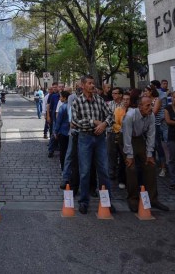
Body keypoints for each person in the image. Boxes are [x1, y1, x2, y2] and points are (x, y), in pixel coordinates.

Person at [71, 75, 115, 215]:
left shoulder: (100, 100)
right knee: (85, 171)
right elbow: (74, 122)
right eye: (89, 83)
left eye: (93, 83)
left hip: (100, 138)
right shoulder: (77, 102)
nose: (92, 85)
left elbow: (111, 115)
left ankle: (107, 202)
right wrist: (93, 122)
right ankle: (84, 201)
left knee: (103, 171)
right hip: (85, 138)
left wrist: (103, 124)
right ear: (83, 85)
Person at [122, 96, 170, 212]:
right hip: (126, 139)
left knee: (151, 165)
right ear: (140, 107)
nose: (151, 107)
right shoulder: (130, 116)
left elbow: (151, 135)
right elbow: (126, 136)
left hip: (139, 139)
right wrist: (129, 155)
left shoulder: (151, 115)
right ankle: (133, 199)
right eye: (147, 105)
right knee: (131, 168)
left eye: (151, 105)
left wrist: (149, 154)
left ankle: (153, 199)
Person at [111, 91, 130, 189]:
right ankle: (122, 179)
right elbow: (115, 123)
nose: (126, 101)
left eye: (128, 99)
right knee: (122, 159)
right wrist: (123, 130)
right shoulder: (118, 110)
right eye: (124, 99)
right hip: (121, 137)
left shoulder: (133, 111)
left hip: (132, 137)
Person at [54, 91, 71, 171]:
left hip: (63, 132)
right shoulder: (72, 106)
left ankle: (63, 167)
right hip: (70, 132)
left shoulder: (63, 107)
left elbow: (58, 121)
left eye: (60, 97)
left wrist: (55, 132)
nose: (60, 98)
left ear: (64, 98)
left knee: (63, 151)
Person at [46, 82, 60, 158]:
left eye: (56, 87)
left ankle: (58, 147)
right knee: (54, 134)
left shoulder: (63, 95)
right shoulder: (52, 96)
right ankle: (51, 150)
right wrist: (48, 116)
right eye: (53, 87)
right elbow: (48, 106)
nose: (55, 88)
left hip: (62, 118)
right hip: (54, 117)